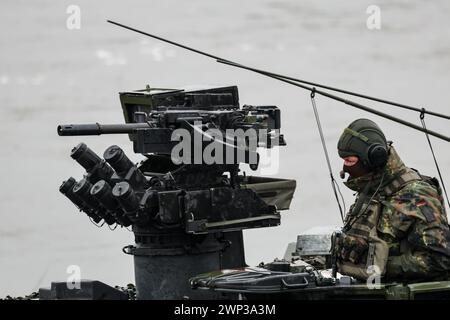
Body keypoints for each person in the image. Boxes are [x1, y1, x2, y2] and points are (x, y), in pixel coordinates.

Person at [334, 118, 450, 282]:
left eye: (350, 161)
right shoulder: (371, 188)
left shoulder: (417, 196)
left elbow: (440, 261)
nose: (345, 168)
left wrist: (379, 265)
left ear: (373, 158)